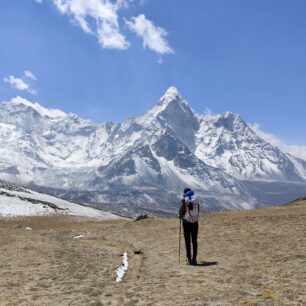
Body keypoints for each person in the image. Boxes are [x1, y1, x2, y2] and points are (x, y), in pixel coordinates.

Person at [179, 187, 200, 265]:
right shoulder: (196, 201)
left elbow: (181, 213)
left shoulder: (185, 201)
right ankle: (194, 258)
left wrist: (180, 216)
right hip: (195, 222)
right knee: (194, 241)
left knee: (187, 241)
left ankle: (189, 258)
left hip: (186, 223)